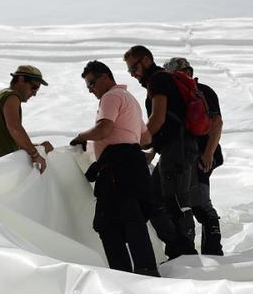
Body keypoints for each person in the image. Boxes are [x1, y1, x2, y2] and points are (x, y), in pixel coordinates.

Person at [70, 61, 159, 276]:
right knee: (132, 219)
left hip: (117, 168)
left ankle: (122, 275)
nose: (90, 89)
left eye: (91, 83)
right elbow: (146, 137)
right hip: (133, 164)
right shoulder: (130, 99)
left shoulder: (110, 97)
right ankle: (145, 270)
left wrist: (82, 137)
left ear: (105, 78)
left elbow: (104, 129)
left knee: (108, 224)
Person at [123, 45, 198, 259]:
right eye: (130, 71)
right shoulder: (160, 80)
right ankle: (176, 248)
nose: (133, 74)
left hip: (178, 149)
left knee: (173, 199)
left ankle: (185, 253)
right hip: (175, 148)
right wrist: (153, 148)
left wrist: (135, 142)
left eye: (134, 68)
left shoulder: (158, 80)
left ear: (146, 60)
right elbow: (171, 124)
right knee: (155, 197)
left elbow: (158, 118)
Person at [163, 57, 224, 256]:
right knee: (193, 201)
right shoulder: (201, 91)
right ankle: (210, 250)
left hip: (198, 155)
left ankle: (211, 251)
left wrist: (208, 153)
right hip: (193, 155)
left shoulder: (198, 92)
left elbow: (216, 124)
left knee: (198, 203)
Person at [0, 65, 54, 169]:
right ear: (21, 79)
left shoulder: (1, 96)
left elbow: (12, 138)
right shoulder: (11, 96)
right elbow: (15, 128)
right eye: (34, 87)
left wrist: (38, 148)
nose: (34, 93)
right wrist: (35, 155)